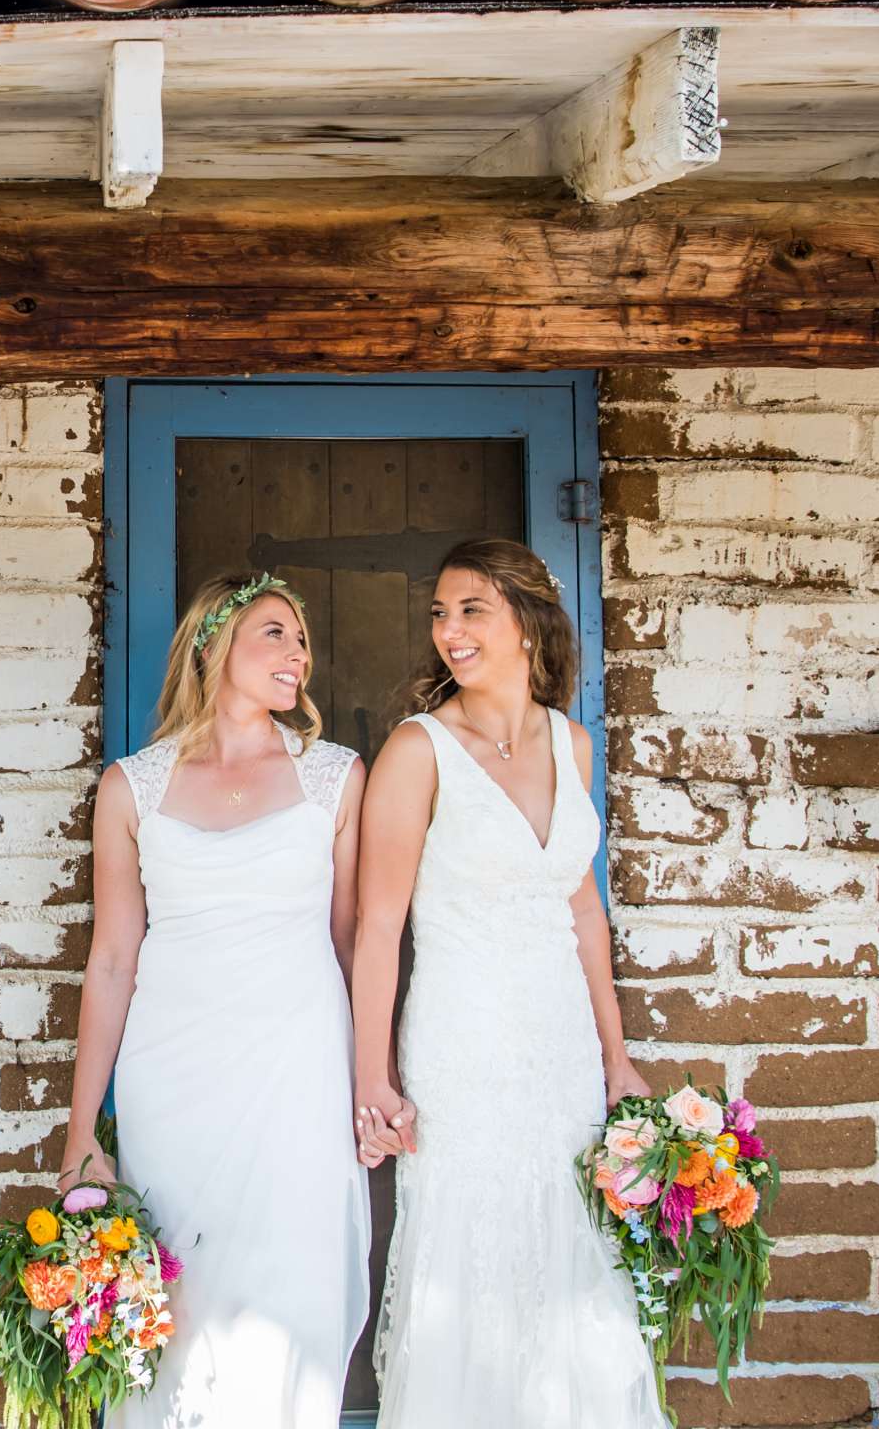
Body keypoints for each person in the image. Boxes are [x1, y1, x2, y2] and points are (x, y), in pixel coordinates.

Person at [349, 538, 664, 1429]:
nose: (450, 631)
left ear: (528, 622)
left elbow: (586, 914)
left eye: (471, 610)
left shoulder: (574, 744)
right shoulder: (418, 751)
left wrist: (617, 1060)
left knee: (570, 1256)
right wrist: (373, 1076)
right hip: (463, 1043)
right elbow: (379, 926)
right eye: (440, 613)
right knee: (474, 1260)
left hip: (559, 1048)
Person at [61, 572, 371, 1427]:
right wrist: (83, 1132)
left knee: (292, 1298)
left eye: (302, 639)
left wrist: (368, 1077)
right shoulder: (132, 786)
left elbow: (349, 947)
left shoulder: (335, 778)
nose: (298, 654)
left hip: (298, 1075)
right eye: (277, 632)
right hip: (176, 1080)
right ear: (215, 644)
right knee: (182, 1309)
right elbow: (115, 960)